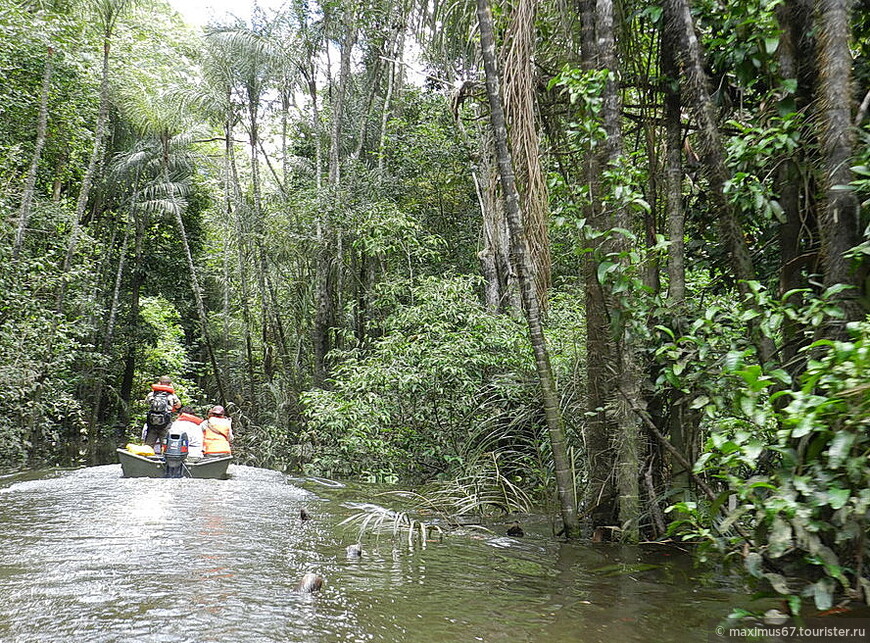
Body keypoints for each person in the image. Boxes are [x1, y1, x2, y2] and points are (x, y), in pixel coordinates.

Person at [143, 376, 182, 450]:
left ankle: (145, 457)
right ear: (170, 384)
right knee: (165, 444)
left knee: (148, 444)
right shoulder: (172, 396)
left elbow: (146, 403)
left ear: (159, 383)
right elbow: (178, 406)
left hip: (152, 423)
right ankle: (164, 458)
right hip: (165, 424)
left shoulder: (151, 394)